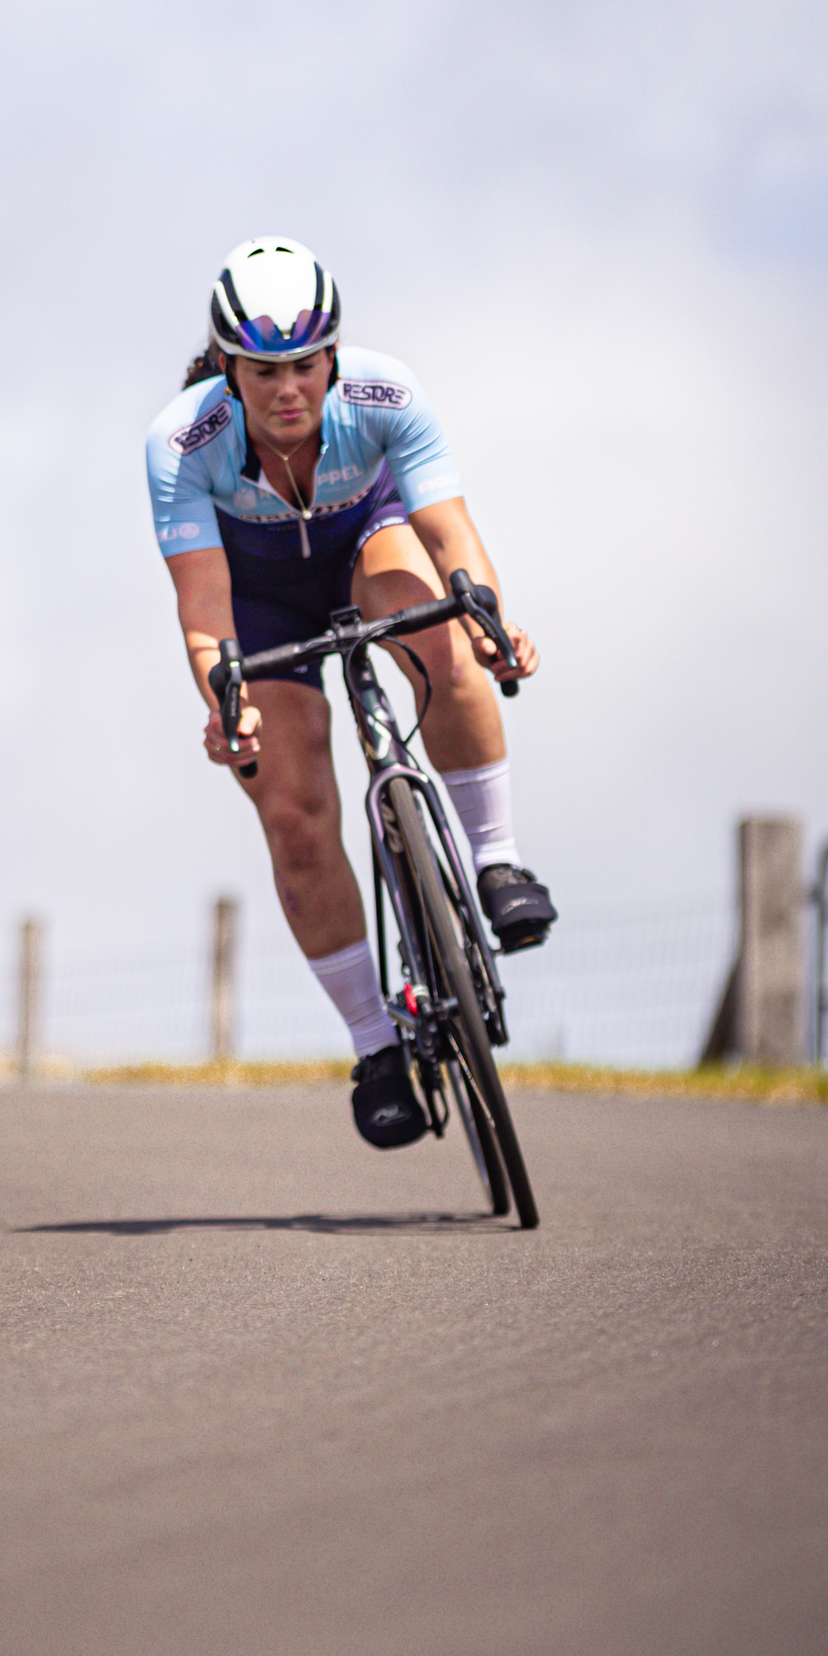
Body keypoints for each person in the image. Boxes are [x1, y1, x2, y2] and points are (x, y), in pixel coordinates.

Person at [146, 236, 555, 1148]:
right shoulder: (181, 443)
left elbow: (451, 535)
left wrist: (492, 621)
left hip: (367, 543)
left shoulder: (385, 394)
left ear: (332, 355)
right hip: (255, 596)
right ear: (227, 368)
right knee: (292, 812)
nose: (288, 388)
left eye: (305, 364)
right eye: (263, 371)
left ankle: (497, 861)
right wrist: (228, 706)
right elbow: (204, 607)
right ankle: (377, 1048)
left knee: (441, 638)